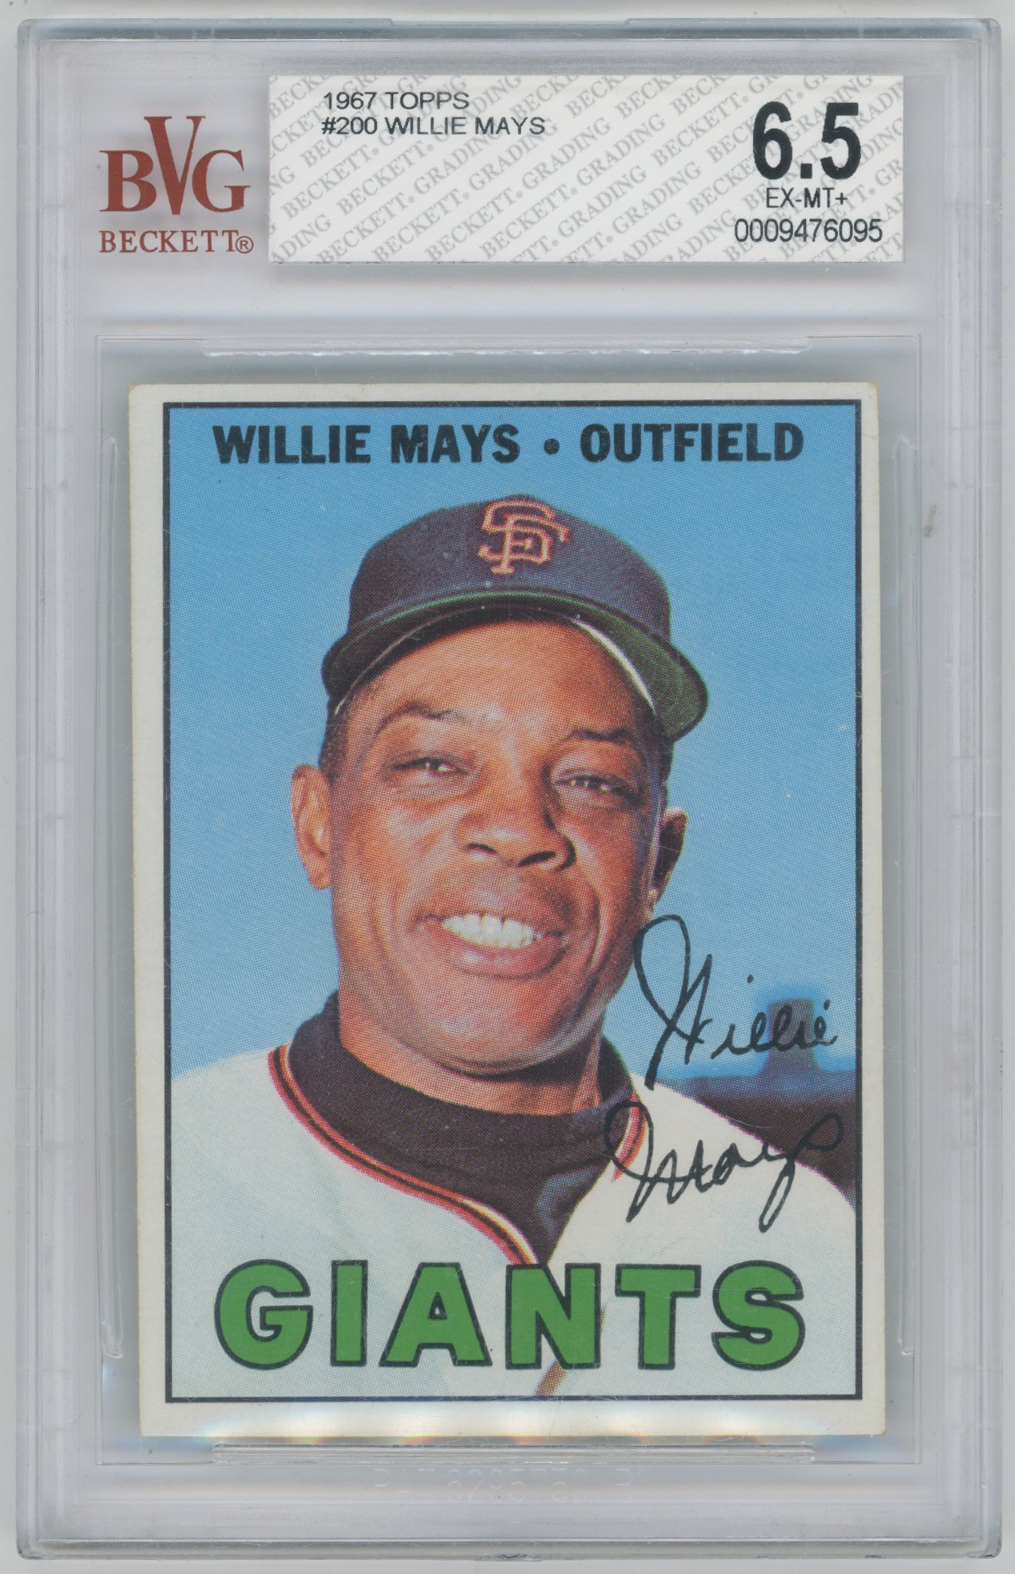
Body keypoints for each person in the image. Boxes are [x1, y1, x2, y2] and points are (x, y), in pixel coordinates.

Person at [171, 496, 856, 1405]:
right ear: (317, 825)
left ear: (657, 863)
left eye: (591, 780)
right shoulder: (147, 1191)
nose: (517, 828)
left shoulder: (795, 1240)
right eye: (433, 765)